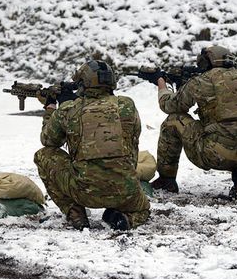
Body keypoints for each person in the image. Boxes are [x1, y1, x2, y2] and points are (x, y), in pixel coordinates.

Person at [34, 60, 150, 231]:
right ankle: (124, 219)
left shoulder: (69, 109)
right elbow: (132, 138)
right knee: (143, 210)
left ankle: (75, 212)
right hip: (126, 191)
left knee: (43, 154)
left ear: (83, 83)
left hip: (85, 193)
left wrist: (52, 108)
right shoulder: (127, 105)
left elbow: (49, 141)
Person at [151, 46, 237, 200]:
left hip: (215, 154)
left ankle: (166, 180)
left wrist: (161, 84)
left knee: (173, 120)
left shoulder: (201, 81)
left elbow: (169, 105)